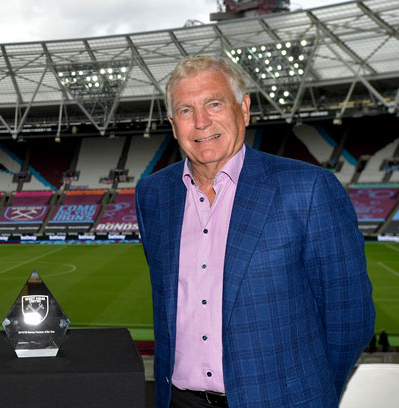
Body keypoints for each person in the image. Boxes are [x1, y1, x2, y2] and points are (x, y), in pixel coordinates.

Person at [135, 55, 374, 407]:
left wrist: (312, 396)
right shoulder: (153, 195)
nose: (201, 122)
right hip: (180, 401)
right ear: (173, 125)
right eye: (186, 111)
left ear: (244, 109)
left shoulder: (308, 189)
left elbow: (350, 316)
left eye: (214, 104)